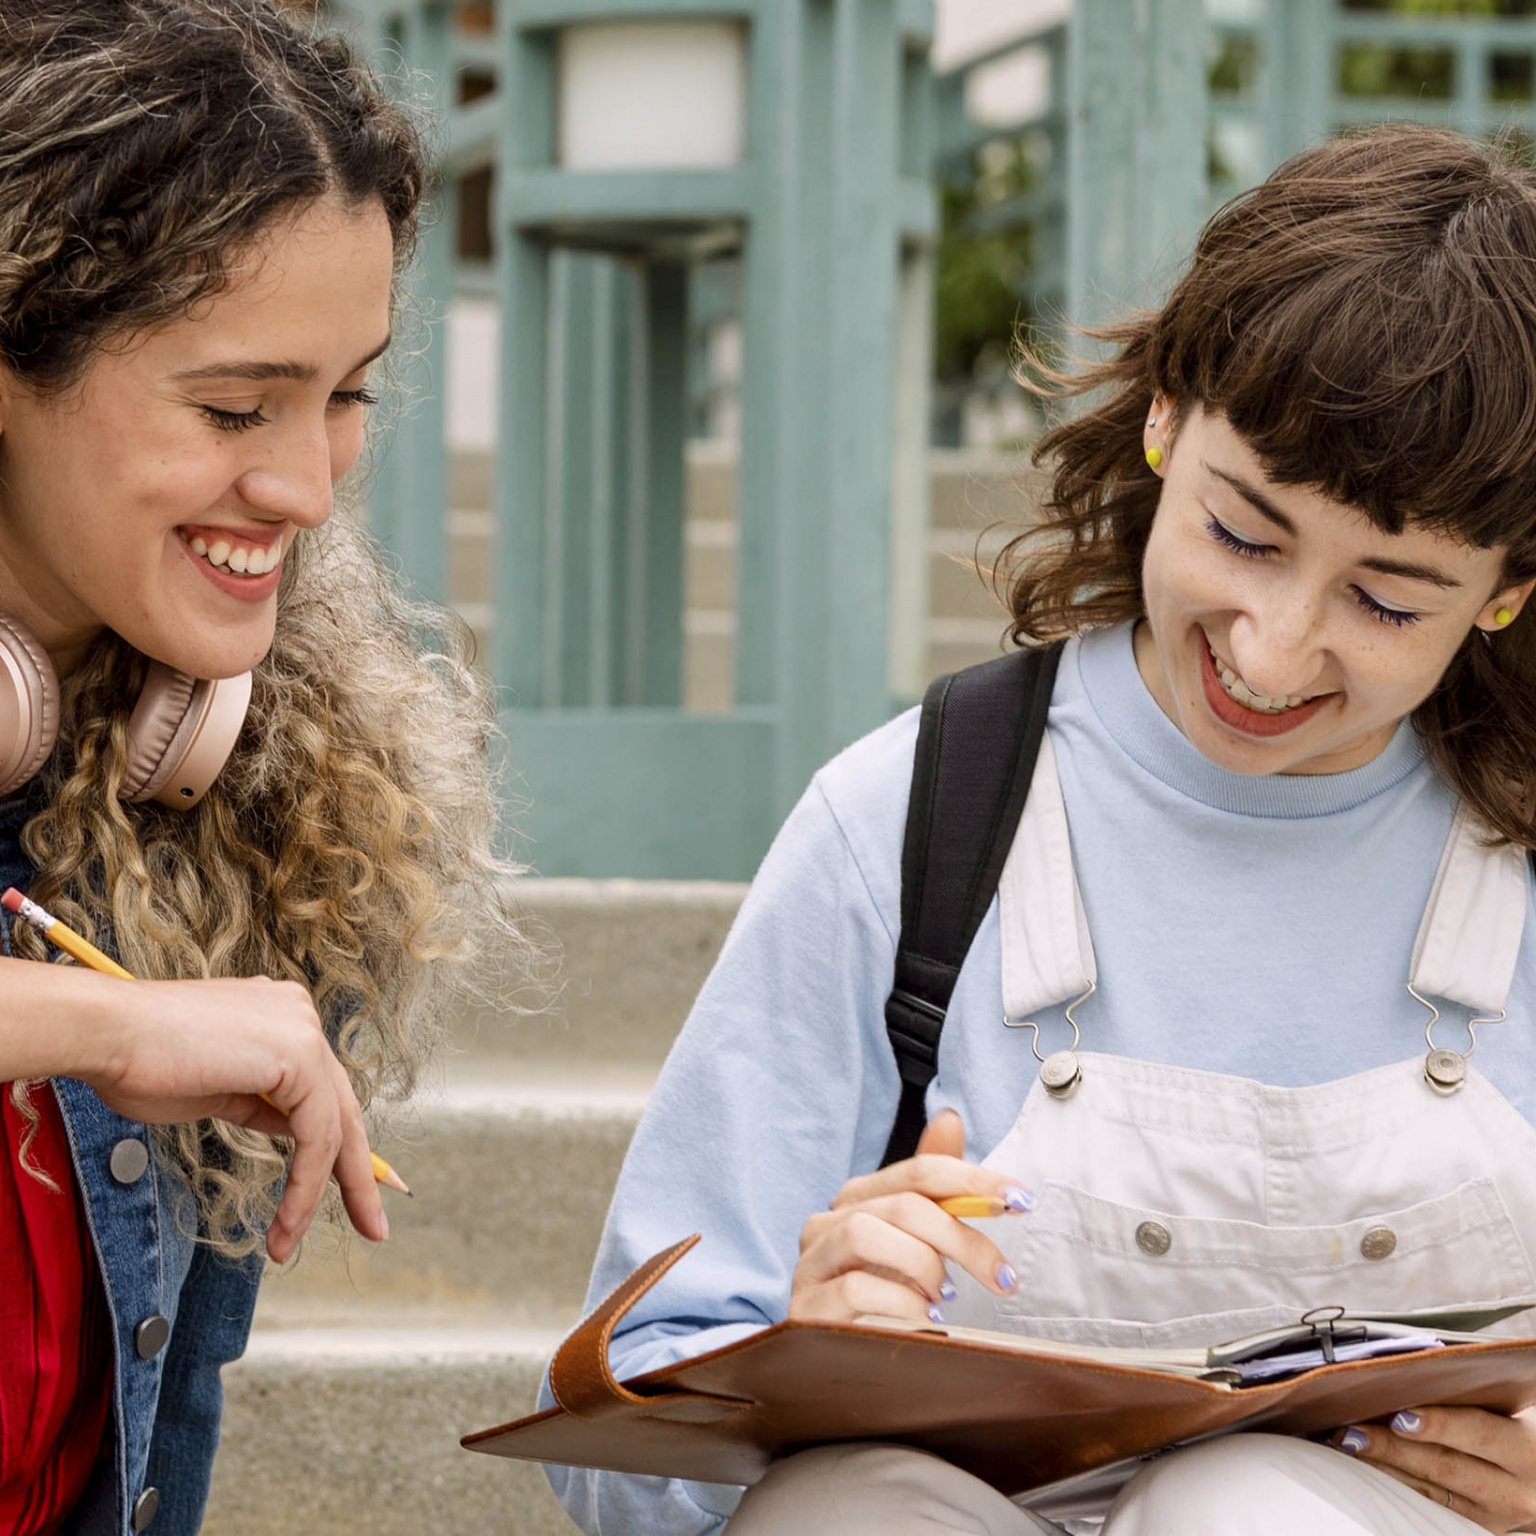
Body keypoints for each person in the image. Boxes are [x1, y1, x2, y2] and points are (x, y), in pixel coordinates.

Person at [544, 123, 1536, 1535]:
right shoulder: (908, 820)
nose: (1273, 646)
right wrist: (792, 1360)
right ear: (1165, 419)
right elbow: (611, 1448)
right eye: (1244, 534)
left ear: (1503, 591)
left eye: (1387, 601)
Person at [0, 3, 522, 1533]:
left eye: (345, 394)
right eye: (235, 406)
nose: (305, 485)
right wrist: (95, 1023)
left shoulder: (254, 800)